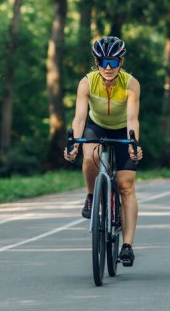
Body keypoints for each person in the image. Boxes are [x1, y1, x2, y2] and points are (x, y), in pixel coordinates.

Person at [63, 36, 143, 267]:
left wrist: (133, 143)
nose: (108, 68)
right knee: (90, 157)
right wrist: (74, 145)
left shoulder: (131, 84)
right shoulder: (87, 83)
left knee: (126, 185)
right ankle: (91, 196)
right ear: (96, 62)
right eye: (103, 62)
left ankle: (127, 245)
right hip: (95, 126)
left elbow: (132, 119)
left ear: (121, 62)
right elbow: (79, 118)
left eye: (113, 62)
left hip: (122, 129)